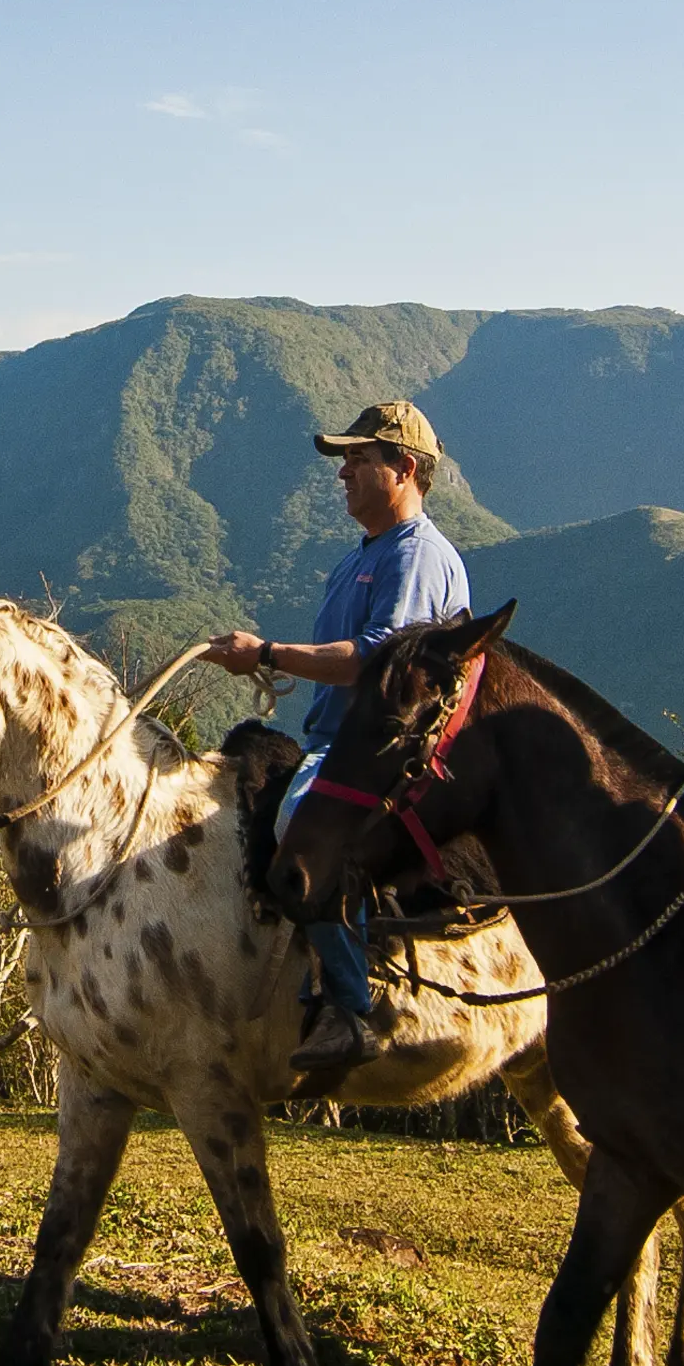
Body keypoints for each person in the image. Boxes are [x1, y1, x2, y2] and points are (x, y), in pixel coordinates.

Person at [209, 400, 472, 1076]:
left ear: (405, 468)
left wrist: (267, 652)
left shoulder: (414, 557)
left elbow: (374, 663)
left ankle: (351, 1006)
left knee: (301, 815)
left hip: (381, 758)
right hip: (336, 739)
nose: (343, 472)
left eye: (360, 458)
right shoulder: (362, 558)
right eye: (345, 459)